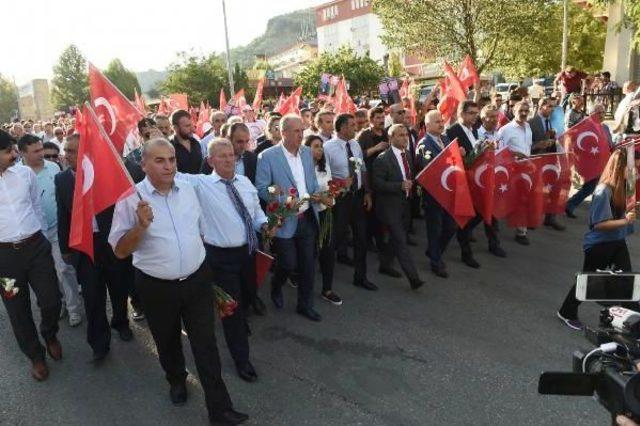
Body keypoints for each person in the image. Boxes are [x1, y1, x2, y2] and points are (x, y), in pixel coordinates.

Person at [108, 139, 248, 425]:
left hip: (196, 281)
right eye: (160, 160)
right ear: (144, 164)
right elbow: (121, 250)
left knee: (206, 345)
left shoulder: (189, 191)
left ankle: (220, 409)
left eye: (171, 159)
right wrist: (140, 226)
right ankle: (176, 379)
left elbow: (200, 230)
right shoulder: (130, 199)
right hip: (156, 287)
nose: (169, 165)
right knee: (167, 340)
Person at [178, 138, 269, 382]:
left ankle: (241, 325)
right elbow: (172, 174)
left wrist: (265, 223)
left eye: (231, 155)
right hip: (220, 259)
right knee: (232, 310)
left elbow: (256, 209)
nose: (229, 159)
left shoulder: (245, 181)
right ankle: (242, 359)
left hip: (249, 252)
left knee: (248, 296)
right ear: (210, 161)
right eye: (222, 156)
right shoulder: (200, 184)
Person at [55, 133, 133, 362]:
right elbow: (63, 216)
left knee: (118, 287)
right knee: (92, 296)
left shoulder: (106, 174)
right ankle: (99, 342)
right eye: (66, 150)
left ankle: (121, 321)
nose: (66, 155)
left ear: (85, 154)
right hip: (84, 246)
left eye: (71, 151)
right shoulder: (62, 180)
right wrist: (65, 248)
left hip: (110, 242)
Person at [0, 130, 62, 382]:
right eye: (8, 152)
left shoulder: (25, 174)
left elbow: (36, 205)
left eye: (14, 149)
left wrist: (43, 237)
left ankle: (49, 333)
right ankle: (35, 355)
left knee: (51, 299)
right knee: (17, 308)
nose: (15, 154)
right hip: (5, 260)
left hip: (36, 248)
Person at [557, 148, 637, 330]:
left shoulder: (623, 187)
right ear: (619, 168)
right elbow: (599, 224)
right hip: (599, 245)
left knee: (627, 281)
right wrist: (625, 220)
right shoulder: (603, 191)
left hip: (617, 242)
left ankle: (632, 322)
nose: (635, 173)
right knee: (587, 281)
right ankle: (566, 312)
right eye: (632, 169)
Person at [255, 115, 325, 321]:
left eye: (302, 131)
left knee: (307, 265)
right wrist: (284, 200)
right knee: (287, 263)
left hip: (307, 217)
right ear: (283, 132)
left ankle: (305, 305)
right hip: (284, 220)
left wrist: (318, 195)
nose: (301, 135)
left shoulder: (305, 152)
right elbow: (261, 188)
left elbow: (310, 182)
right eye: (296, 131)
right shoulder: (267, 156)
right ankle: (276, 285)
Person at [19, 135, 82, 327]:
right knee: (46, 274)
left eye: (41, 149)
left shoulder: (53, 168)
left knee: (64, 269)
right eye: (36, 151)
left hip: (56, 228)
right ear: (23, 153)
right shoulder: (18, 174)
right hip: (34, 234)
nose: (41, 154)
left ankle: (73, 309)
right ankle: (59, 302)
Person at [324, 113, 377, 291]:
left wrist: (367, 192)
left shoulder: (355, 145)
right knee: (335, 240)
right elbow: (324, 176)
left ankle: (360, 277)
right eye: (352, 125)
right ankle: (326, 280)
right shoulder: (328, 148)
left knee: (361, 239)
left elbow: (362, 169)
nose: (356, 127)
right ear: (342, 127)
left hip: (357, 198)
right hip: (340, 201)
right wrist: (339, 186)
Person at [371, 124, 424, 289]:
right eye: (400, 135)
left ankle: (385, 265)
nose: (404, 138)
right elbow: (377, 184)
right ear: (391, 138)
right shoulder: (382, 159)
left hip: (405, 205)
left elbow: (410, 176)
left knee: (396, 239)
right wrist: (398, 186)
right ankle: (414, 278)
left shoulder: (407, 154)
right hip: (389, 207)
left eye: (406, 135)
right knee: (401, 241)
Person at [416, 111, 457, 278]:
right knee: (435, 228)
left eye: (442, 121)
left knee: (450, 227)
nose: (441, 124)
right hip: (433, 193)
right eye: (437, 122)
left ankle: (434, 251)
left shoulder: (445, 139)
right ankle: (436, 262)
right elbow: (427, 168)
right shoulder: (424, 144)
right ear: (427, 125)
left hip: (448, 191)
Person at [304, 134, 341, 305]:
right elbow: (301, 192)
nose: (319, 149)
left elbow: (330, 184)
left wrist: (333, 193)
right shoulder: (300, 167)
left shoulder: (324, 165)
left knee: (328, 250)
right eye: (315, 146)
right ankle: (302, 283)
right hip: (308, 214)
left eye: (320, 146)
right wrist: (319, 198)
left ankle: (327, 289)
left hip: (325, 213)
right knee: (308, 253)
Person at [565, 103, 614, 218]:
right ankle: (571, 205)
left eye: (603, 112)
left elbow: (610, 144)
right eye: (598, 112)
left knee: (599, 188)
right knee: (590, 188)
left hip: (605, 163)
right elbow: (574, 141)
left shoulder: (605, 127)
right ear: (592, 113)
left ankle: (572, 205)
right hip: (591, 164)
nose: (601, 115)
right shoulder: (585, 126)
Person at [497, 101, 535, 245]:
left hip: (526, 170)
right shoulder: (505, 130)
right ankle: (519, 230)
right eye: (521, 110)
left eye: (526, 110)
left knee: (523, 199)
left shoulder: (528, 127)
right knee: (517, 199)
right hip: (512, 171)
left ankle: (521, 228)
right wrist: (514, 154)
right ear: (514, 110)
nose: (524, 113)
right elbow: (499, 151)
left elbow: (527, 149)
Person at [529, 97, 566, 232]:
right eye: (550, 106)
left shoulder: (552, 121)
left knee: (554, 189)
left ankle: (550, 217)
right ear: (541, 106)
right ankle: (532, 219)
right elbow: (526, 145)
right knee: (537, 191)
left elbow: (552, 139)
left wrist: (552, 138)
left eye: (554, 107)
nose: (552, 109)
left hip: (552, 160)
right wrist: (540, 144)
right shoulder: (532, 123)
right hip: (537, 161)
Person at [169, 110, 202, 174]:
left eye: (191, 125)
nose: (192, 129)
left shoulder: (196, 143)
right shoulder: (169, 147)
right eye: (187, 126)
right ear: (175, 128)